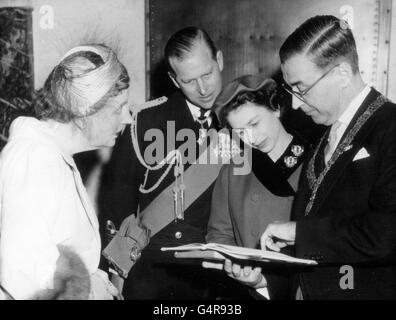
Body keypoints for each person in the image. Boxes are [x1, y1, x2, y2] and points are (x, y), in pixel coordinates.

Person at [249, 15, 396, 299]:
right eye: (291, 90)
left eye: (302, 89)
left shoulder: (389, 127)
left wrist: (300, 233)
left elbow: (387, 233)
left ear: (341, 74)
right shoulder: (322, 135)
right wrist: (263, 281)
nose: (294, 103)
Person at [101, 26, 247, 299]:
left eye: (208, 74)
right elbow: (116, 205)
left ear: (220, 60)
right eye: (190, 80)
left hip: (225, 277)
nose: (203, 89)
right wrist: (114, 278)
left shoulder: (248, 116)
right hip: (156, 278)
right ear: (174, 78)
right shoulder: (144, 123)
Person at [0, 44, 132, 299]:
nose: (128, 118)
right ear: (84, 112)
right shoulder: (35, 158)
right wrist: (89, 290)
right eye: (118, 109)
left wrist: (95, 277)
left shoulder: (52, 156)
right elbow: (22, 271)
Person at [205, 75, 308, 299]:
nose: (250, 138)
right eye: (240, 132)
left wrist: (268, 280)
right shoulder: (233, 170)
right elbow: (219, 232)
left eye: (254, 123)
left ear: (276, 109)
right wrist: (235, 263)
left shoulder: (314, 162)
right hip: (249, 292)